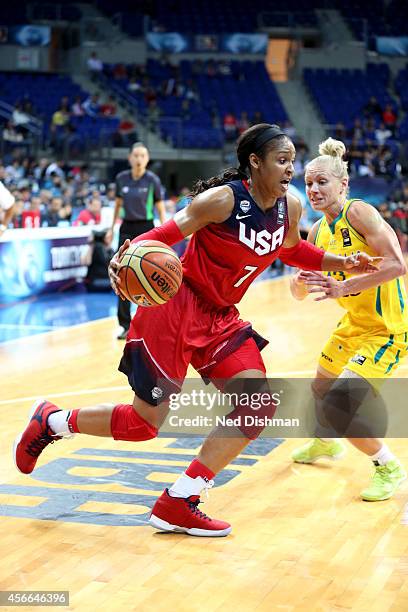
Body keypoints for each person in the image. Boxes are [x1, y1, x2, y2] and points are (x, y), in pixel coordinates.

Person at [14, 124, 378, 537]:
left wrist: (343, 262)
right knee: (144, 424)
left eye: (292, 161)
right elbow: (166, 233)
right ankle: (53, 422)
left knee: (258, 405)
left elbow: (293, 250)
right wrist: (127, 254)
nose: (290, 169)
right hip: (174, 311)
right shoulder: (222, 201)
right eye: (282, 161)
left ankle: (179, 500)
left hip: (220, 317)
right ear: (254, 163)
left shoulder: (289, 207)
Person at [290, 137, 407, 501]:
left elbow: (397, 264)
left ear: (343, 184)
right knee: (320, 389)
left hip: (386, 329)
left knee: (338, 407)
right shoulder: (317, 231)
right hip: (352, 326)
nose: (313, 189)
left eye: (322, 182)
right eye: (309, 183)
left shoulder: (359, 213)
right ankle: (325, 443)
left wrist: (346, 286)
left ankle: (387, 465)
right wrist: (299, 281)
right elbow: (299, 291)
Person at [107, 142, 166, 339]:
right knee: (121, 275)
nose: (139, 158)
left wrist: (165, 231)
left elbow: (160, 207)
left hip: (146, 228)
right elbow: (117, 206)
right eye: (136, 155)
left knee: (150, 276)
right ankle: (125, 325)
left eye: (142, 155)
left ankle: (150, 325)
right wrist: (110, 228)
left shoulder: (153, 180)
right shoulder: (121, 178)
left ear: (147, 159)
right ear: (130, 158)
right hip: (126, 229)